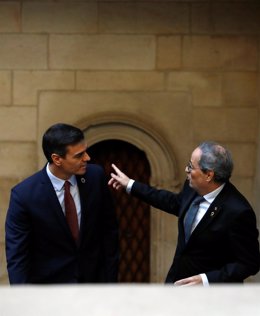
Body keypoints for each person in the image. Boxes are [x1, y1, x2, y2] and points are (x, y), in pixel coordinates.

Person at [109, 141, 260, 285]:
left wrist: (206, 280)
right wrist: (130, 185)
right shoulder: (193, 187)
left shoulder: (238, 212)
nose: (186, 170)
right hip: (177, 284)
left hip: (213, 299)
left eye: (191, 166)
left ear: (209, 175)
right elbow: (173, 202)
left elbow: (249, 263)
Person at [5, 123, 119, 284]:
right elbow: (17, 256)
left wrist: (110, 282)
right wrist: (23, 300)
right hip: (49, 290)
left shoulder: (96, 176)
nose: (87, 158)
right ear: (57, 159)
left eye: (85, 151)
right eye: (79, 155)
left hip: (94, 286)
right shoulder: (24, 195)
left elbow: (109, 231)